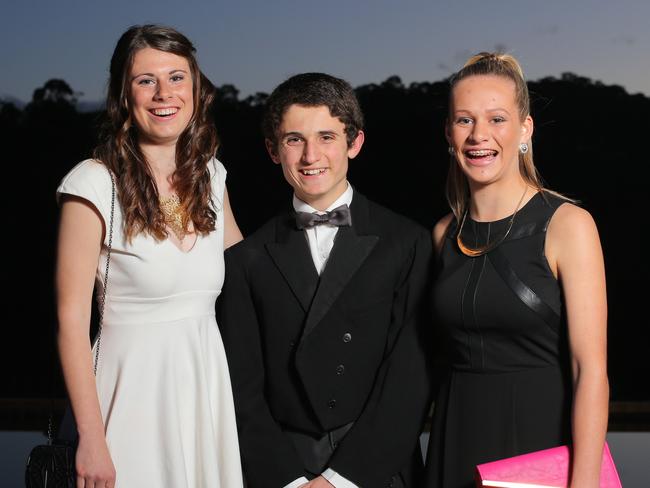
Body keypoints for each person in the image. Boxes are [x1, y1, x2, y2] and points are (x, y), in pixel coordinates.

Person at [218, 73, 432, 488]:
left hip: (378, 468)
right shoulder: (247, 259)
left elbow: (409, 377)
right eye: (294, 139)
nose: (310, 155)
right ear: (273, 150)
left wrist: (341, 479)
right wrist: (292, 480)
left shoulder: (407, 243)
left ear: (355, 143)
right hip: (285, 470)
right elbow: (241, 390)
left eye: (327, 137)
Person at [56, 25, 244, 487]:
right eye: (146, 80)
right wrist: (92, 437)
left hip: (203, 394)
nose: (165, 93)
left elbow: (251, 272)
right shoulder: (92, 182)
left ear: (197, 89)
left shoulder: (211, 176)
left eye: (177, 77)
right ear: (124, 94)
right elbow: (70, 322)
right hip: (126, 403)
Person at [424, 52, 609, 487]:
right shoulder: (442, 234)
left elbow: (591, 372)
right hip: (454, 445)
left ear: (525, 129)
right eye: (465, 120)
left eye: (497, 119)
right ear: (449, 133)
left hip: (538, 450)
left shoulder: (568, 225)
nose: (479, 135)